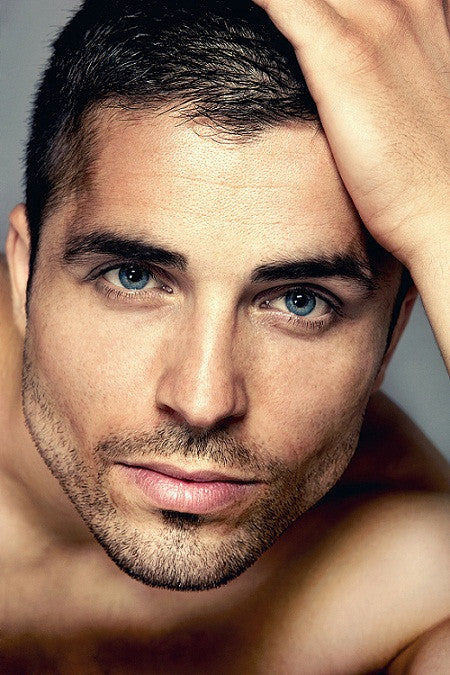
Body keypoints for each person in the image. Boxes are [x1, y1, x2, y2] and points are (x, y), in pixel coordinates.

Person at [1, 0, 449, 671]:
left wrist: (438, 209)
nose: (203, 400)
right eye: (133, 277)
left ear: (392, 334)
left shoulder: (406, 573)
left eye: (300, 301)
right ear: (23, 274)